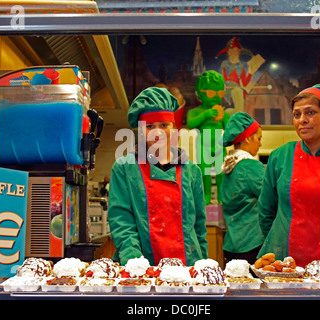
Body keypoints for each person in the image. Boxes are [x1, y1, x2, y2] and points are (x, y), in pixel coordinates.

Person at [257, 84, 320, 275]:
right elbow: (266, 211)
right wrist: (279, 239)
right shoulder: (279, 157)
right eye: (297, 114)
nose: (302, 120)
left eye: (310, 112)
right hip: (284, 265)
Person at [108, 87, 208, 266]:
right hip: (143, 268)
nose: (157, 132)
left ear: (174, 127)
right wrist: (134, 261)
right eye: (150, 126)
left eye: (164, 125)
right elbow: (121, 220)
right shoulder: (124, 168)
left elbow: (199, 225)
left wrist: (201, 264)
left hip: (188, 267)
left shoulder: (193, 171)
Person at [220, 112, 265, 264]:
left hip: (231, 244)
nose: (260, 144)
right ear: (247, 138)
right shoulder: (251, 166)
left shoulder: (229, 167)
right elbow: (273, 198)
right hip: (253, 244)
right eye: (258, 139)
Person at [187, 70, 230, 205]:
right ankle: (205, 196)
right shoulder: (196, 111)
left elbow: (230, 129)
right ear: (200, 93)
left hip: (219, 145)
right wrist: (206, 114)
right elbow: (191, 123)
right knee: (204, 173)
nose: (216, 97)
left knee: (221, 173)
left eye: (220, 93)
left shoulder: (222, 113)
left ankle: (221, 197)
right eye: (211, 93)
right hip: (203, 145)